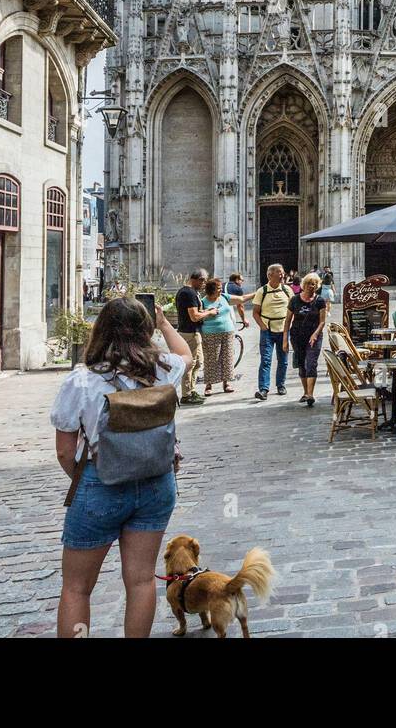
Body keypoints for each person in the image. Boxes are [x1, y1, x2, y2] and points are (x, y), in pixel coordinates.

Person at [52, 297, 191, 639]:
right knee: (142, 580)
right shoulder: (165, 369)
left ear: (100, 331)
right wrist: (164, 323)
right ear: (146, 330)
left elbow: (64, 451)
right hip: (157, 484)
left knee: (77, 588)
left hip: (102, 484)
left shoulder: (82, 380)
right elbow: (187, 355)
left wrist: (88, 481)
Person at [174, 269, 217, 405]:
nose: (204, 284)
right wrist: (209, 313)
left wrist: (206, 311)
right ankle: (186, 395)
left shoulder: (187, 292)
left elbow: (194, 313)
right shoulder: (189, 293)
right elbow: (194, 316)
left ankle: (191, 390)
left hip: (192, 331)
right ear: (196, 279)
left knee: (198, 362)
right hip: (189, 332)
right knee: (190, 363)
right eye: (203, 281)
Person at [284, 272, 327, 406]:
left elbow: (322, 321)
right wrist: (285, 339)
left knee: (312, 363)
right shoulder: (295, 300)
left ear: (317, 286)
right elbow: (287, 321)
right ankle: (305, 392)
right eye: (308, 283)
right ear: (303, 285)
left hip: (314, 336)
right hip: (297, 336)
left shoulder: (320, 301)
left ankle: (310, 394)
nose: (311, 286)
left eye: (313, 284)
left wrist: (315, 334)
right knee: (301, 364)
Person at [253, 263, 293, 400]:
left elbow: (293, 308)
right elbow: (255, 313)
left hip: (284, 330)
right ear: (270, 275)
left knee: (283, 360)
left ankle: (281, 385)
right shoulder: (262, 291)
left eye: (282, 272)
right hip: (268, 331)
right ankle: (263, 389)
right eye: (279, 273)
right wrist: (262, 326)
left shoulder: (287, 290)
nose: (283, 275)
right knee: (266, 360)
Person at [200, 277, 237, 395]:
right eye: (219, 288)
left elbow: (241, 299)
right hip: (210, 333)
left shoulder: (224, 297)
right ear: (211, 290)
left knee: (227, 357)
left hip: (228, 332)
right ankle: (208, 385)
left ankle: (226, 383)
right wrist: (208, 312)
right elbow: (198, 316)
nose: (221, 290)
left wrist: (257, 293)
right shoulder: (203, 301)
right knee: (211, 359)